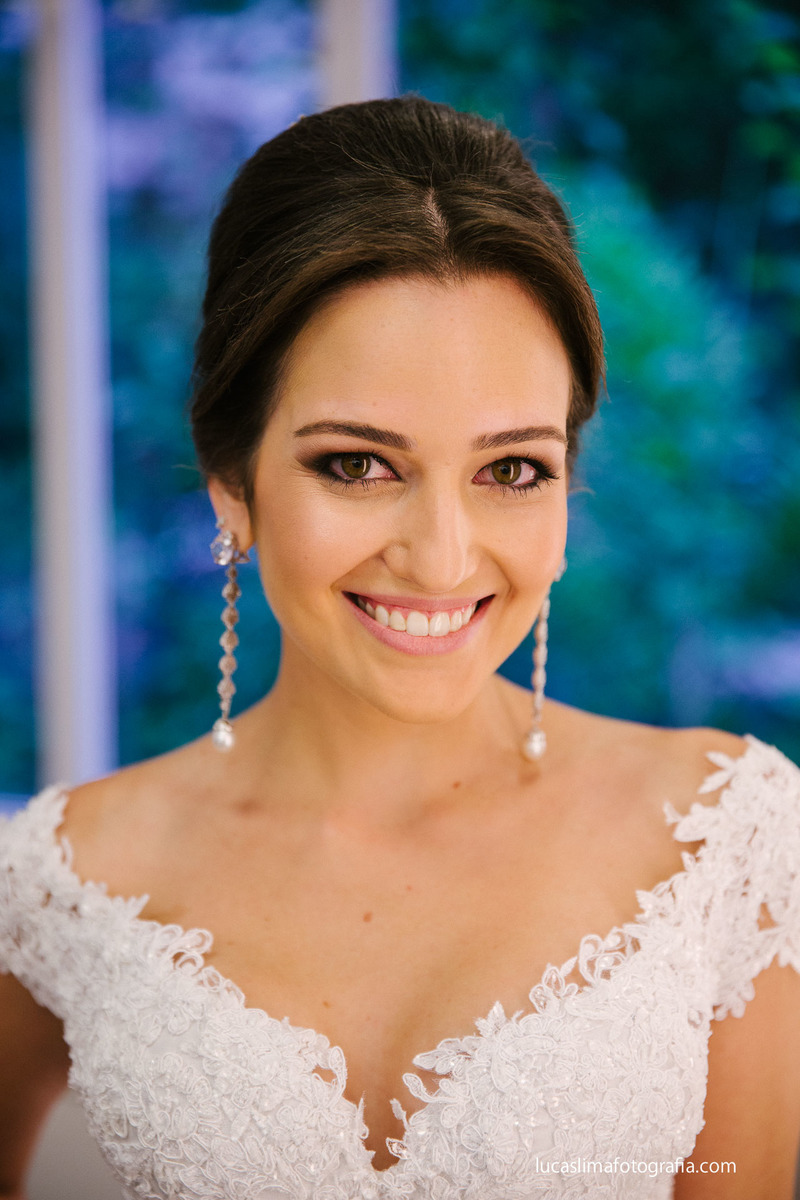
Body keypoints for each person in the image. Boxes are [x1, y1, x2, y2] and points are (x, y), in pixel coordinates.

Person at [1, 95, 799, 1200]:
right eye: (357, 464)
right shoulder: (58, 879)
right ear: (230, 481)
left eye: (510, 470)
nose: (438, 559)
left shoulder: (725, 845)